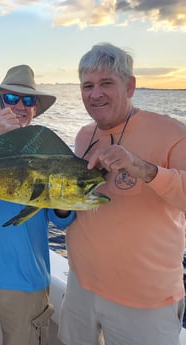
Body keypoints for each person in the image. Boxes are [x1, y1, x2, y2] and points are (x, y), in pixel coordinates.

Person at [58, 42, 186, 345]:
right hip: (80, 284)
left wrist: (143, 168)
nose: (95, 93)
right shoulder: (83, 135)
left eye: (106, 83)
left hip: (143, 300)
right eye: (87, 85)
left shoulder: (172, 133)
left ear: (130, 86)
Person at [0, 64, 76, 345]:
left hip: (28, 281)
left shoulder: (49, 152)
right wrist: (0, 138)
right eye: (11, 98)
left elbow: (62, 219)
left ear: (35, 109)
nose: (20, 105)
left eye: (28, 100)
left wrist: (65, 198)